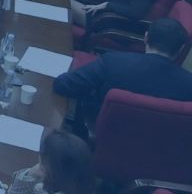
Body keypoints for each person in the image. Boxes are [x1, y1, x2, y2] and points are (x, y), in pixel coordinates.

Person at [54, 17, 192, 136]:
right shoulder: (188, 84)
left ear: (146, 38)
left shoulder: (114, 62)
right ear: (181, 49)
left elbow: (63, 85)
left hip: (101, 134)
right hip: (155, 148)